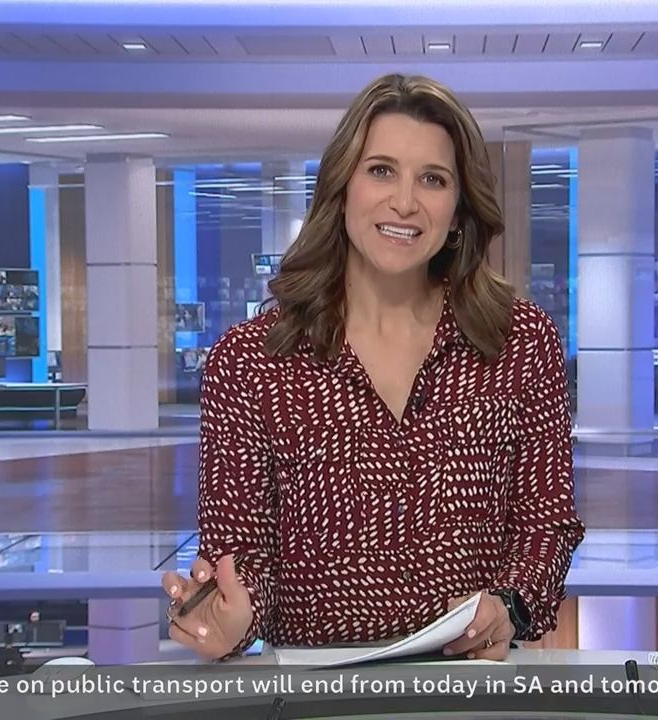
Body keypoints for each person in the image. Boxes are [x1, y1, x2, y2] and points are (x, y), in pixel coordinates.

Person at [160, 74, 585, 662]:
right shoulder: (251, 360)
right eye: (382, 170)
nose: (405, 202)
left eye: (433, 179)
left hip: (469, 687)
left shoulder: (520, 342)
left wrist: (508, 607)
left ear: (458, 211)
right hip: (314, 692)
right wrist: (232, 617)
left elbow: (546, 524)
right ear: (342, 188)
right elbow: (243, 556)